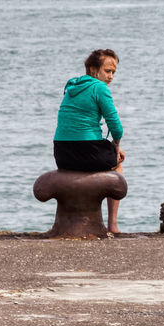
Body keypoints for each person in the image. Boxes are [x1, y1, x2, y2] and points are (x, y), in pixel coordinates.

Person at [53, 48, 126, 234]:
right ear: (94, 70)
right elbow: (116, 127)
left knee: (108, 154)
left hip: (62, 152)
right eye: (107, 71)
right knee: (118, 164)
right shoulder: (99, 88)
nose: (111, 77)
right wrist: (116, 147)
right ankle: (113, 224)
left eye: (113, 73)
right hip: (86, 149)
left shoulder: (71, 87)